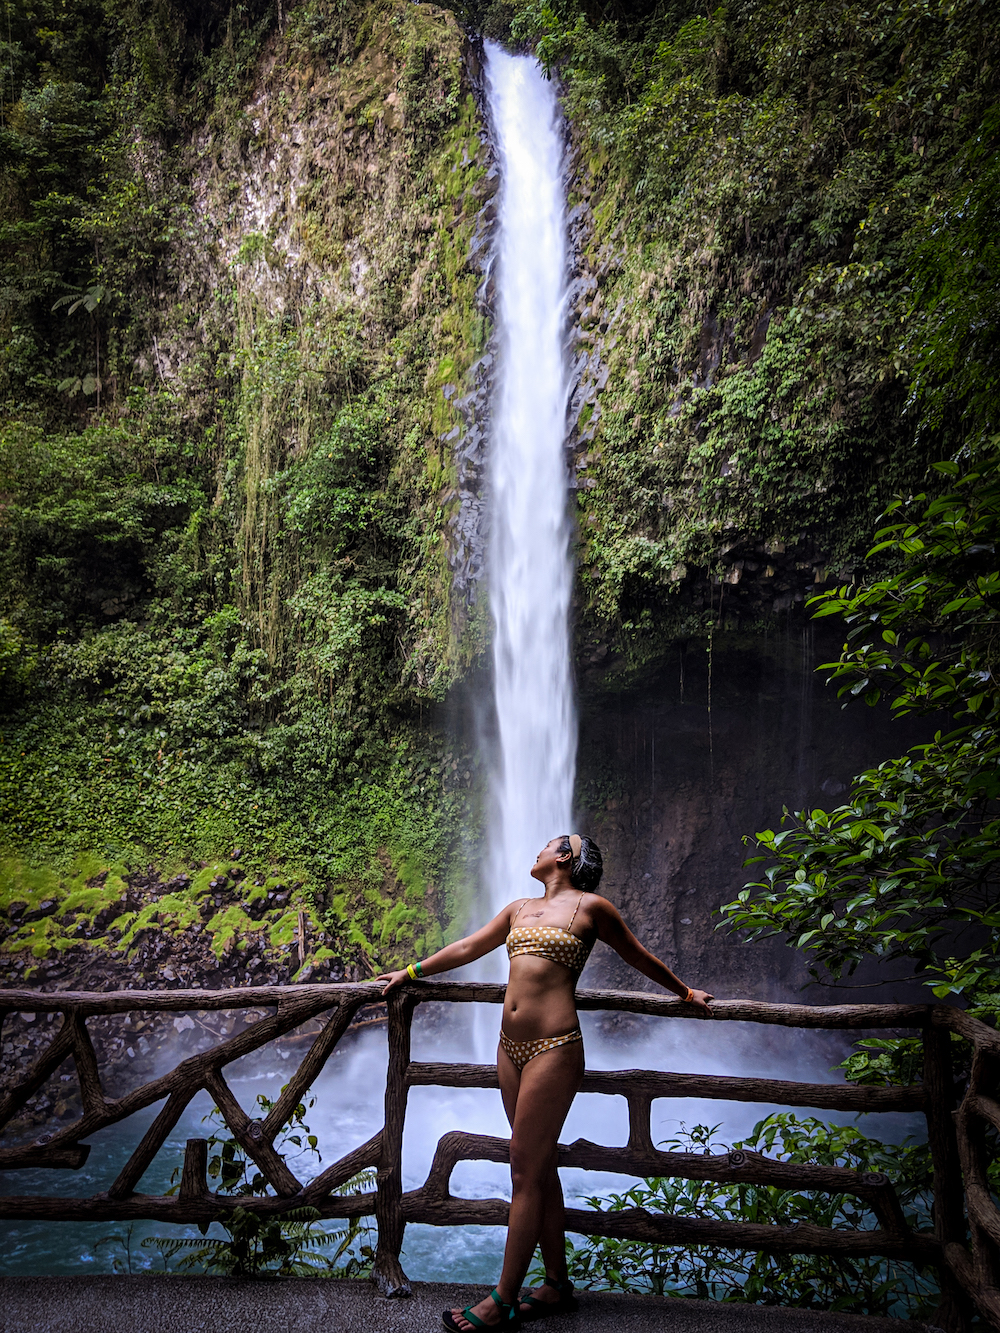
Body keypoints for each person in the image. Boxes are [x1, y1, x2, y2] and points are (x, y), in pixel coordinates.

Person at [377, 834, 713, 1331]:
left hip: (554, 1048)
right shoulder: (518, 909)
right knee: (537, 1166)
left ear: (566, 858)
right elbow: (470, 946)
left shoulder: (593, 907)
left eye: (548, 845)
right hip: (508, 1047)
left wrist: (684, 991)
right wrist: (410, 971)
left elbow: (637, 957)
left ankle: (503, 1299)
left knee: (522, 1170)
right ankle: (556, 1284)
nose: (536, 850)